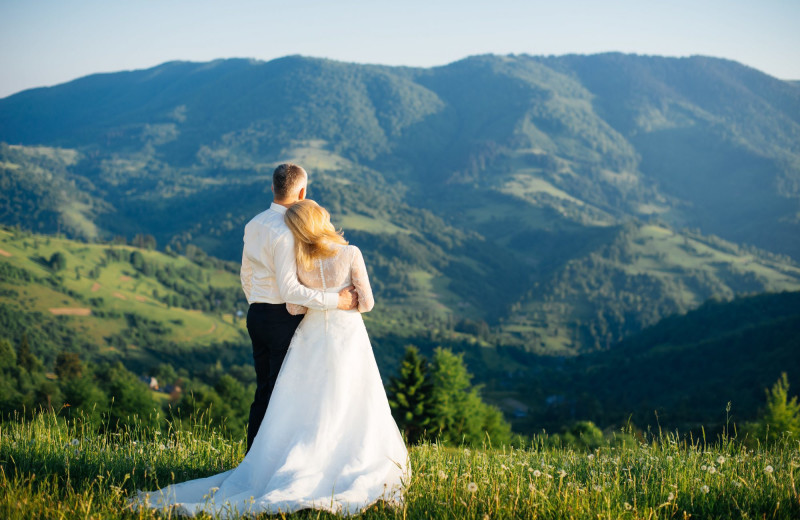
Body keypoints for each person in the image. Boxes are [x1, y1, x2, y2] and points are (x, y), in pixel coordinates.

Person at [132, 196, 409, 516]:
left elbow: (293, 306)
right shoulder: (350, 253)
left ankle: (306, 460)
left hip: (311, 337)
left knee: (309, 404)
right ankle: (340, 458)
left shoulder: (300, 258)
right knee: (350, 401)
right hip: (348, 338)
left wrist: (320, 301)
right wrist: (342, 299)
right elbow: (367, 303)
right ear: (323, 220)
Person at [239, 163, 358, 452]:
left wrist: (258, 304)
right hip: (283, 317)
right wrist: (337, 301)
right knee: (285, 395)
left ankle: (253, 457)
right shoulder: (290, 230)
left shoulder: (253, 224)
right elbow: (291, 289)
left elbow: (246, 275)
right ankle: (274, 461)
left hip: (256, 315)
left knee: (264, 390)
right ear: (302, 191)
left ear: (273, 187)